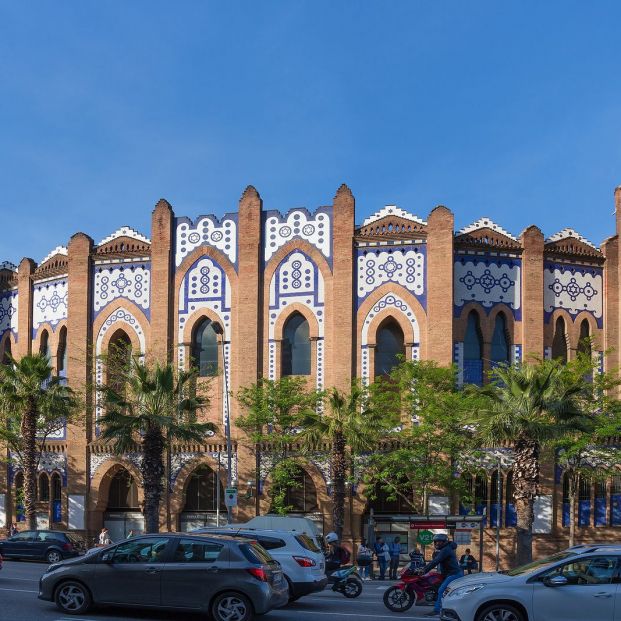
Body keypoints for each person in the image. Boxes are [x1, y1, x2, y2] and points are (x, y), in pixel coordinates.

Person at [417, 533, 463, 617]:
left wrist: (424, 570)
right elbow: (436, 560)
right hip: (449, 573)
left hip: (454, 574)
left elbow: (435, 561)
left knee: (441, 590)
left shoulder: (446, 550)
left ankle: (437, 610)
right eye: (436, 542)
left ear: (444, 542)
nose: (437, 544)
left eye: (440, 542)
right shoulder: (445, 549)